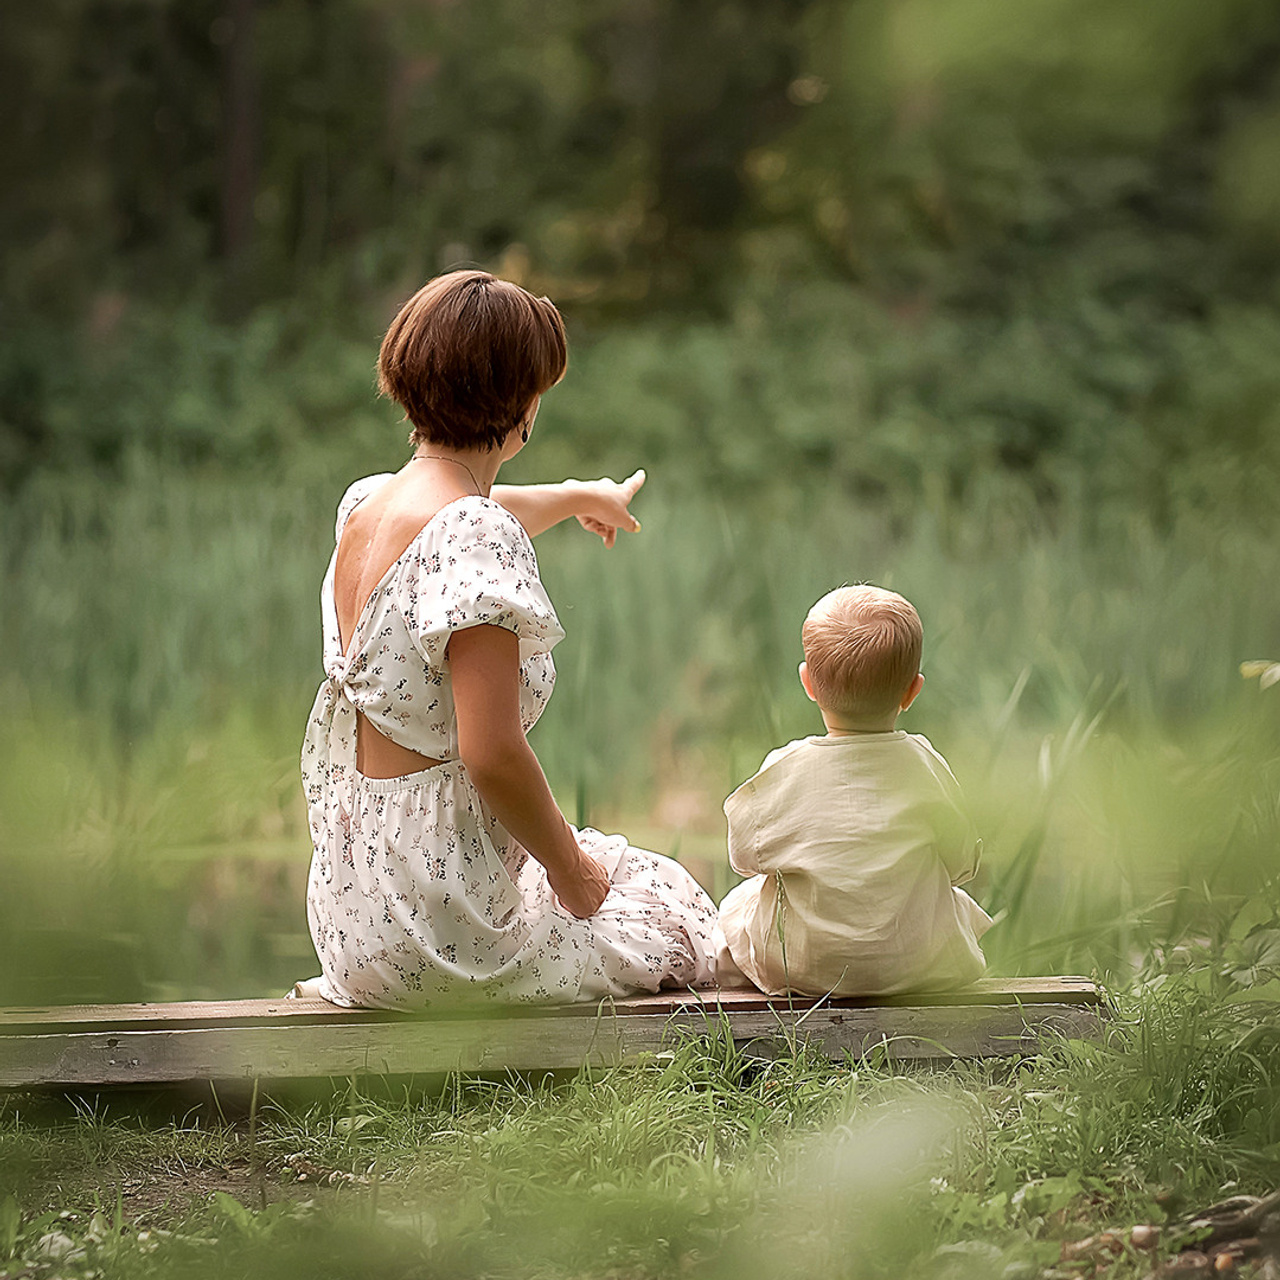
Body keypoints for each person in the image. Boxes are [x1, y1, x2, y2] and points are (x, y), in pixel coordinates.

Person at [300, 269, 717, 1009]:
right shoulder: (474, 532)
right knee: (670, 906)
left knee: (622, 867)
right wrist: (572, 876)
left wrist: (578, 496)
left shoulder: (368, 503)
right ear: (524, 403)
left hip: (356, 909)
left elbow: (468, 517)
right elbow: (491, 753)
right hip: (436, 923)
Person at [714, 585, 993, 997]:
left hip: (806, 969)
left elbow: (743, 858)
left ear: (808, 683)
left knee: (739, 904)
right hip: (918, 966)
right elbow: (961, 863)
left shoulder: (785, 769)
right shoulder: (924, 765)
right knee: (950, 903)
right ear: (912, 691)